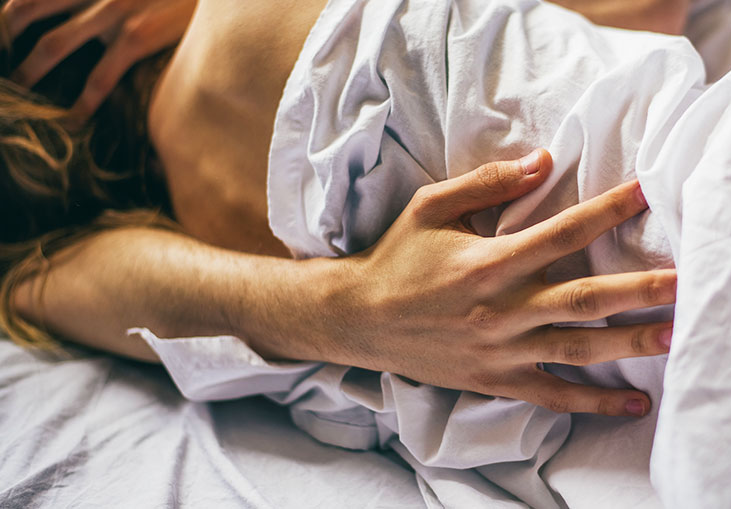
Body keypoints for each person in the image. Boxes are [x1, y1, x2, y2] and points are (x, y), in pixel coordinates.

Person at [0, 0, 690, 417]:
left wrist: (351, 314)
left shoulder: (119, 255)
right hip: (713, 200)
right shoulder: (244, 35)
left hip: (674, 365)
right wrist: (353, 312)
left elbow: (35, 282)